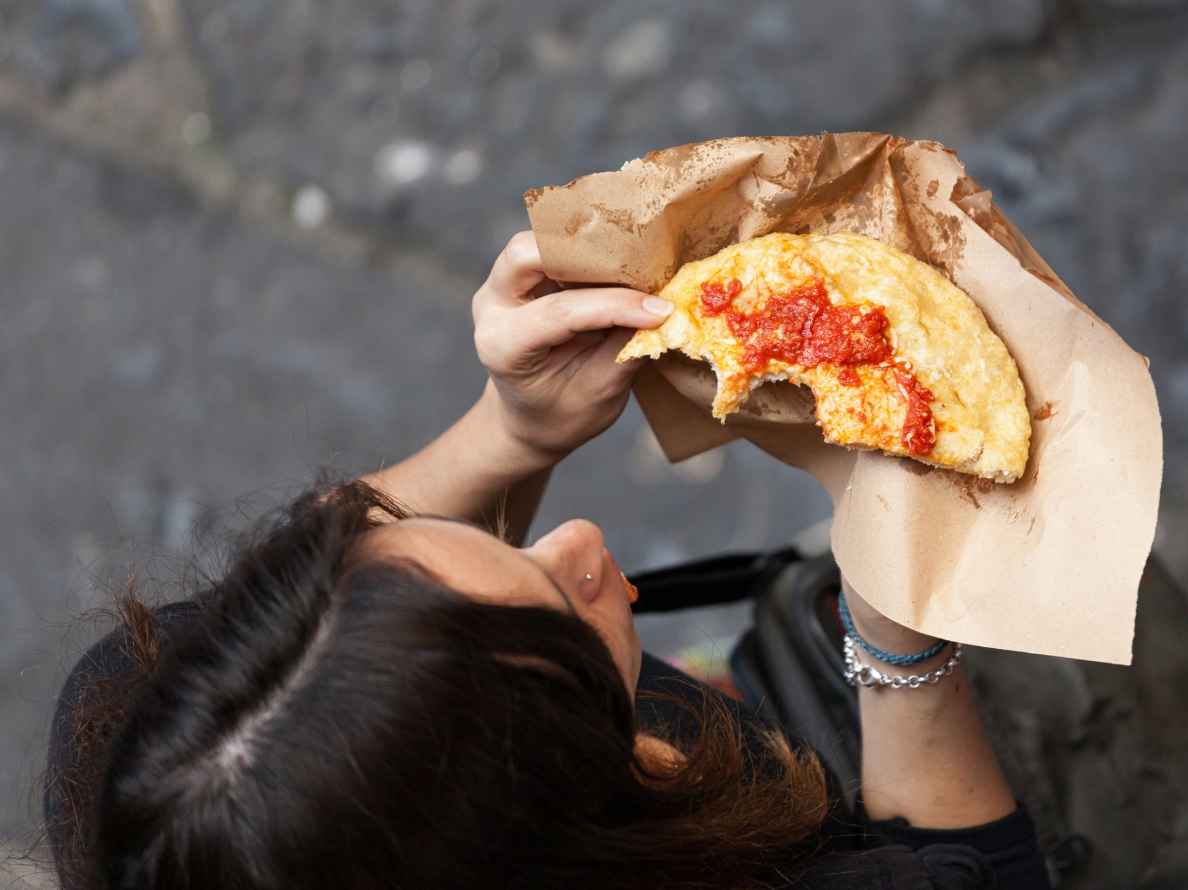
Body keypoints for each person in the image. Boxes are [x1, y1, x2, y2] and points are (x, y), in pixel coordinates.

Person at [45, 233, 1052, 889]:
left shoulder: (137, 708)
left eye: (385, 540)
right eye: (564, 619)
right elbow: (977, 873)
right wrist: (898, 644)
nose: (579, 540)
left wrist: (512, 429)